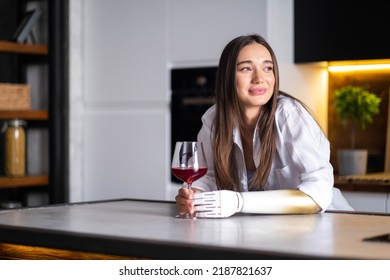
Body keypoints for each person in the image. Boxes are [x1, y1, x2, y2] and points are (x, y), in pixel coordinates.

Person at [175, 34, 353, 218]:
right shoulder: (214, 119)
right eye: (246, 69)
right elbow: (209, 177)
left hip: (327, 224)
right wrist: (193, 196)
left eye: (268, 68)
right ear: (227, 77)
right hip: (265, 230)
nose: (260, 78)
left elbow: (318, 193)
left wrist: (239, 202)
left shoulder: (289, 114)